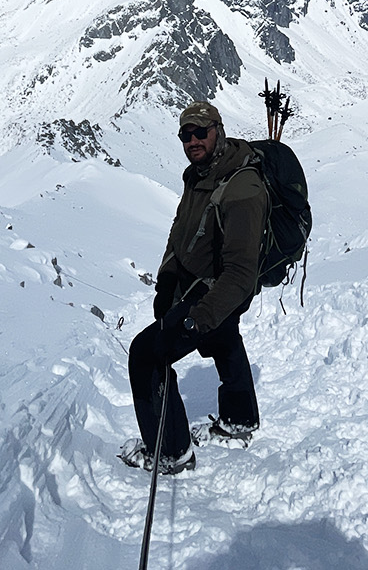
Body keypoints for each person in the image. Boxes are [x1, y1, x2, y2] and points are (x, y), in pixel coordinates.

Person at [121, 101, 267, 474]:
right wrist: (168, 275)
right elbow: (180, 230)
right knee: (225, 339)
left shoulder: (242, 188)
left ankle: (171, 452)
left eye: (201, 131)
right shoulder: (198, 174)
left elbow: (240, 273)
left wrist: (200, 317)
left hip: (218, 292)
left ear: (218, 130)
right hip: (196, 286)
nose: (193, 140)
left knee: (146, 355)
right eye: (186, 134)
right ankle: (240, 420)